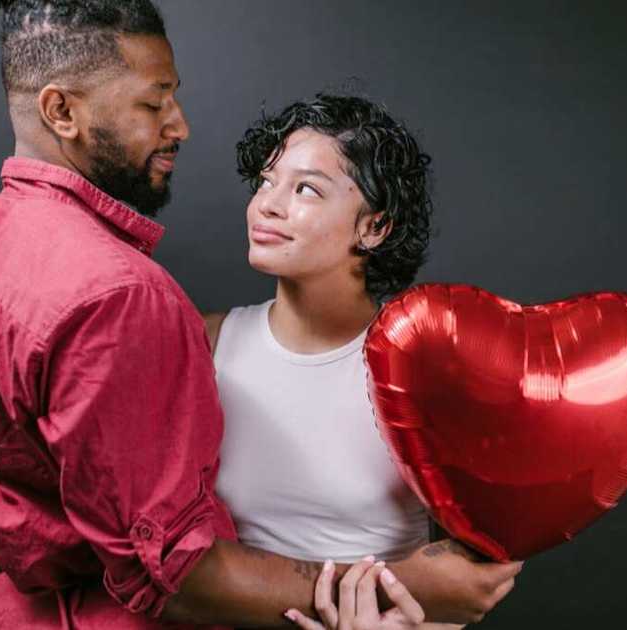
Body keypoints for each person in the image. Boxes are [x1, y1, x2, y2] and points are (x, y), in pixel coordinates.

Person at [0, 1, 519, 628]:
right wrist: (401, 587)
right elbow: (175, 574)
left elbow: (467, 563)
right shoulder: (146, 307)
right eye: (152, 104)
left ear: (374, 226)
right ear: (61, 111)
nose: (179, 126)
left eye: (307, 188)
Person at [204, 94, 520, 629]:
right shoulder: (206, 342)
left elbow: (467, 582)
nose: (267, 205)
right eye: (265, 181)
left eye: (305, 189)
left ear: (374, 227)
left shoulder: (424, 369)